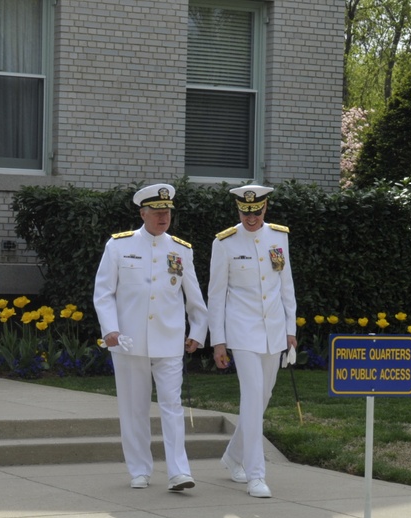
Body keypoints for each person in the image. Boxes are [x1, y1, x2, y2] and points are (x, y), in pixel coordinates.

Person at [93, 183, 208, 491]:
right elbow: (103, 293)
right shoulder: (118, 246)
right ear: (143, 213)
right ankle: (139, 470)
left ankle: (178, 471)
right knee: (134, 408)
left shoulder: (181, 249)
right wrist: (111, 330)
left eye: (167, 211)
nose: (163, 217)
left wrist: (197, 331)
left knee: (172, 406)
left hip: (169, 340)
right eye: (157, 212)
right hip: (129, 341)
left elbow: (194, 297)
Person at [208, 184, 297, 499]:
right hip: (242, 331)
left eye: (256, 212)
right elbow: (216, 296)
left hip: (273, 331)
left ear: (265, 208)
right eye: (246, 212)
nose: (251, 218)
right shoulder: (225, 242)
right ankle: (256, 474)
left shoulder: (278, 237)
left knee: (264, 397)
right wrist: (218, 342)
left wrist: (291, 330)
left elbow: (285, 286)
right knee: (251, 396)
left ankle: (233, 456)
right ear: (238, 210)